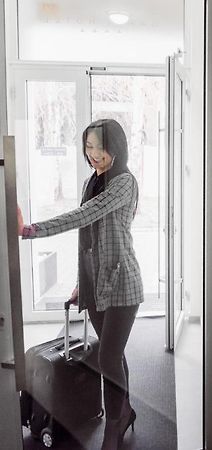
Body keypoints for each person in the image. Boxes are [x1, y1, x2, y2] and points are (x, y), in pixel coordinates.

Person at [18, 118, 143, 450]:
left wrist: (30, 229)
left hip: (123, 284)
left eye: (99, 147)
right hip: (97, 285)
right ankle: (126, 410)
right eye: (88, 147)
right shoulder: (94, 181)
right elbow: (88, 241)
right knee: (113, 355)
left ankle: (113, 429)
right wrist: (80, 283)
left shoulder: (123, 183)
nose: (93, 154)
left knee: (107, 357)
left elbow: (82, 217)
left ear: (115, 147)